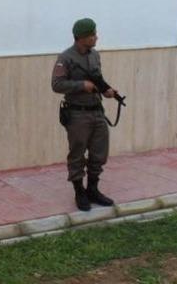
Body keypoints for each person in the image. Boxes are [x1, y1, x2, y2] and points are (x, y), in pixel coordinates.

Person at [51, 18, 116, 212]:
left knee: (99, 154)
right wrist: (81, 85)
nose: (97, 37)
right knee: (77, 154)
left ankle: (93, 189)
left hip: (97, 111)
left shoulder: (95, 55)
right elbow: (56, 85)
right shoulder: (65, 58)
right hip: (77, 114)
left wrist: (105, 90)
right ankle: (79, 192)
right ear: (81, 37)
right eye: (93, 34)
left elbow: (97, 79)